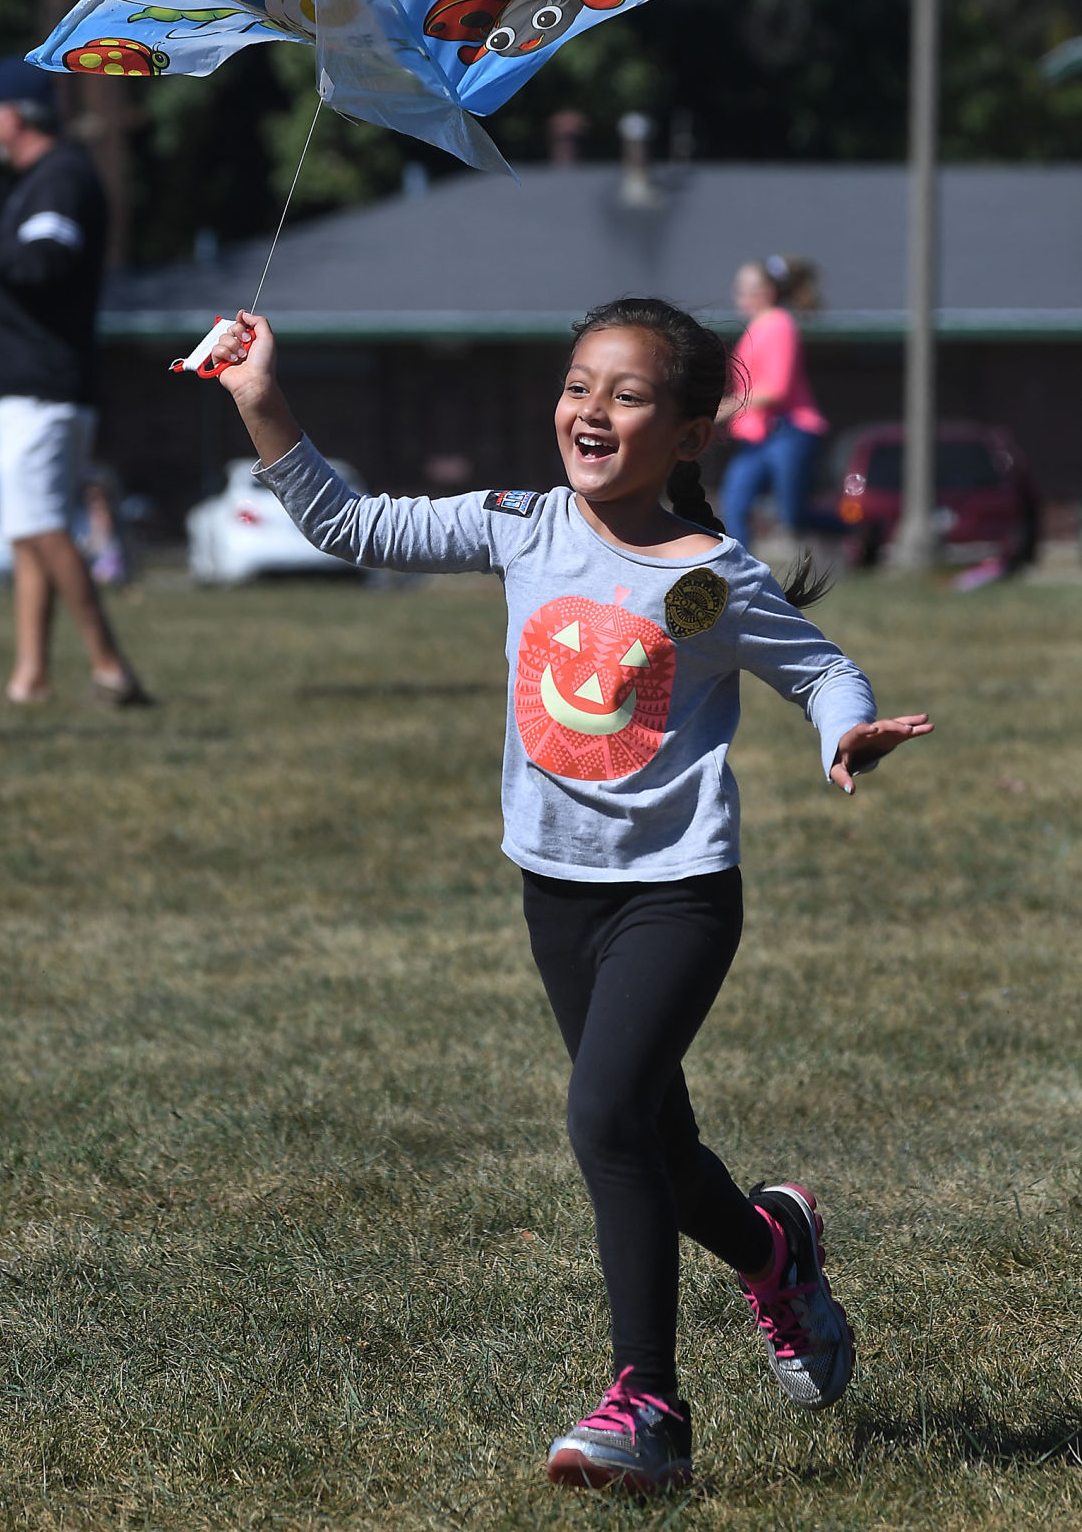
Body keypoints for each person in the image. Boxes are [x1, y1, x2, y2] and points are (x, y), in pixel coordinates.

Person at [210, 296, 931, 1491]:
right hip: (556, 892)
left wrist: (845, 733)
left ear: (690, 434)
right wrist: (260, 399)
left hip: (678, 892)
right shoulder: (519, 524)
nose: (589, 411)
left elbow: (823, 671)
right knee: (656, 1135)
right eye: (577, 385)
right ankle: (773, 1249)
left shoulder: (710, 576)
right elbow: (344, 520)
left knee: (603, 1118)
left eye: (628, 394)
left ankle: (645, 1404)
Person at [0, 55, 148, 705]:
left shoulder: (62, 178)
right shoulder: (42, 179)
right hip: (32, 390)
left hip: (41, 389)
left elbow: (40, 263)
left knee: (42, 527)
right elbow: (12, 213)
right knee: (29, 532)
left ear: (11, 116)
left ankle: (109, 666)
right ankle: (31, 676)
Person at [718, 255, 840, 551]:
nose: (741, 294)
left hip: (791, 430)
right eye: (739, 288)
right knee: (734, 503)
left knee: (793, 515)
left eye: (748, 288)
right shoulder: (757, 327)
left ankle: (859, 529)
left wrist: (726, 407)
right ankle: (740, 572)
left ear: (769, 292)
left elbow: (776, 389)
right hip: (761, 434)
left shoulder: (779, 324)